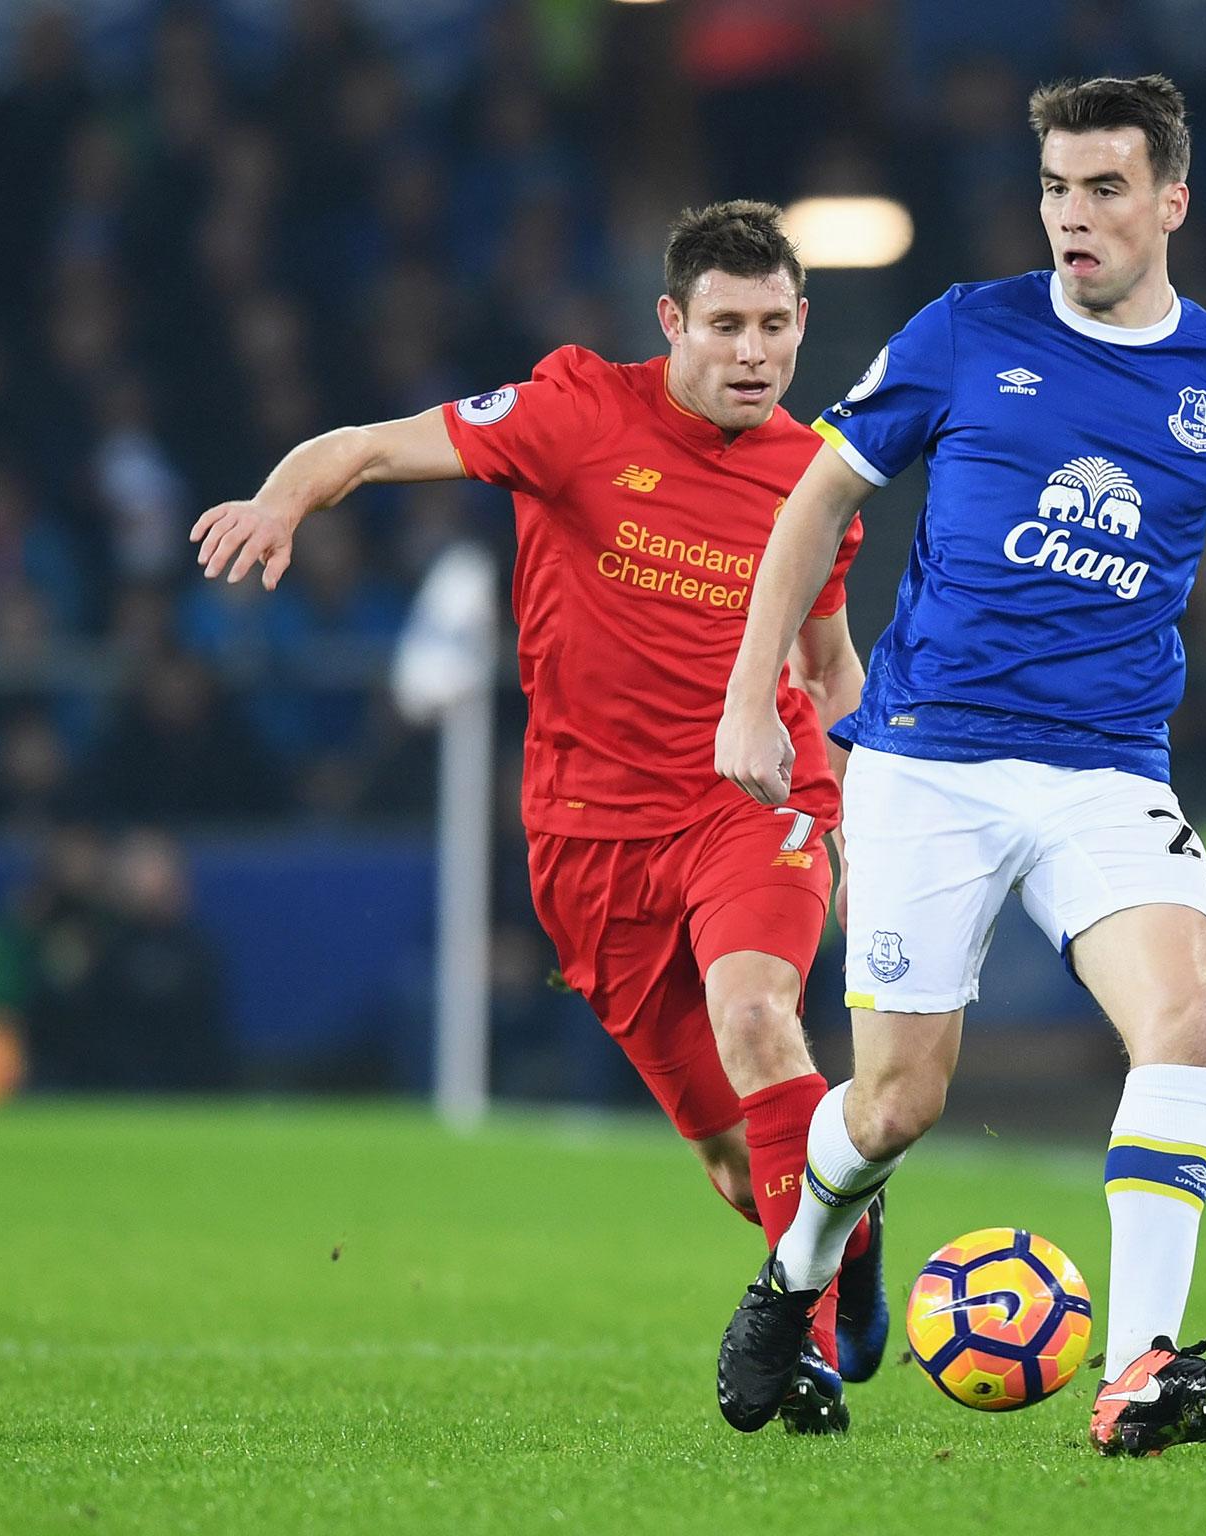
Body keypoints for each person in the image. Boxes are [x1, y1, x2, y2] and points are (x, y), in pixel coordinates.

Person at [712, 75, 1206, 1454]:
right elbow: (819, 493)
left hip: (1107, 772)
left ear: (1172, 201)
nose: (1075, 215)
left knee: (1187, 1018)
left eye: (1107, 188)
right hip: (927, 763)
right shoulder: (967, 330)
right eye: (1058, 188)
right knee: (898, 1106)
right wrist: (751, 697)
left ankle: (1136, 1371)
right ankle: (796, 1275)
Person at [190, 200, 884, 1428]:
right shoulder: (572, 414)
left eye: (775, 326)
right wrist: (279, 503)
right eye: (724, 325)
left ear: (801, 326)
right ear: (671, 322)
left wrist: (862, 788)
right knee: (734, 1160)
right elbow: (361, 444)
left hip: (750, 807)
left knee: (757, 1012)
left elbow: (829, 666)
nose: (751, 354)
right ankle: (847, 1225)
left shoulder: (815, 474)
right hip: (587, 840)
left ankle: (808, 1338)